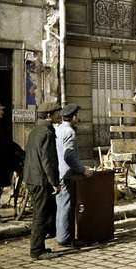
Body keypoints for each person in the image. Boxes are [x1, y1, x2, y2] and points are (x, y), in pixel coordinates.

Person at [23, 102, 61, 260]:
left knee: (46, 211)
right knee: (41, 214)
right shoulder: (47, 133)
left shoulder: (35, 131)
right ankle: (37, 250)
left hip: (32, 178)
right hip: (41, 180)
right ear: (48, 116)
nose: (58, 115)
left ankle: (45, 239)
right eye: (56, 113)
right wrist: (55, 183)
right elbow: (48, 161)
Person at [55, 103, 93, 247]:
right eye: (78, 115)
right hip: (66, 174)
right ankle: (65, 238)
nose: (79, 118)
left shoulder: (58, 129)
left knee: (60, 205)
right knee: (66, 206)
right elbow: (69, 156)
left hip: (58, 173)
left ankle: (61, 234)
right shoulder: (69, 132)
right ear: (74, 116)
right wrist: (83, 170)